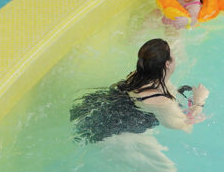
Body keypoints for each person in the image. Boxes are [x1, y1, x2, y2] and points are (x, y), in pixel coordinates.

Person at [70, 38, 209, 144]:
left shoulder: (137, 75)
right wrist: (199, 101)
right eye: (173, 56)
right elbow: (184, 127)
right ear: (167, 64)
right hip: (110, 132)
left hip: (98, 108)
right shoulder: (161, 102)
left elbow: (167, 89)